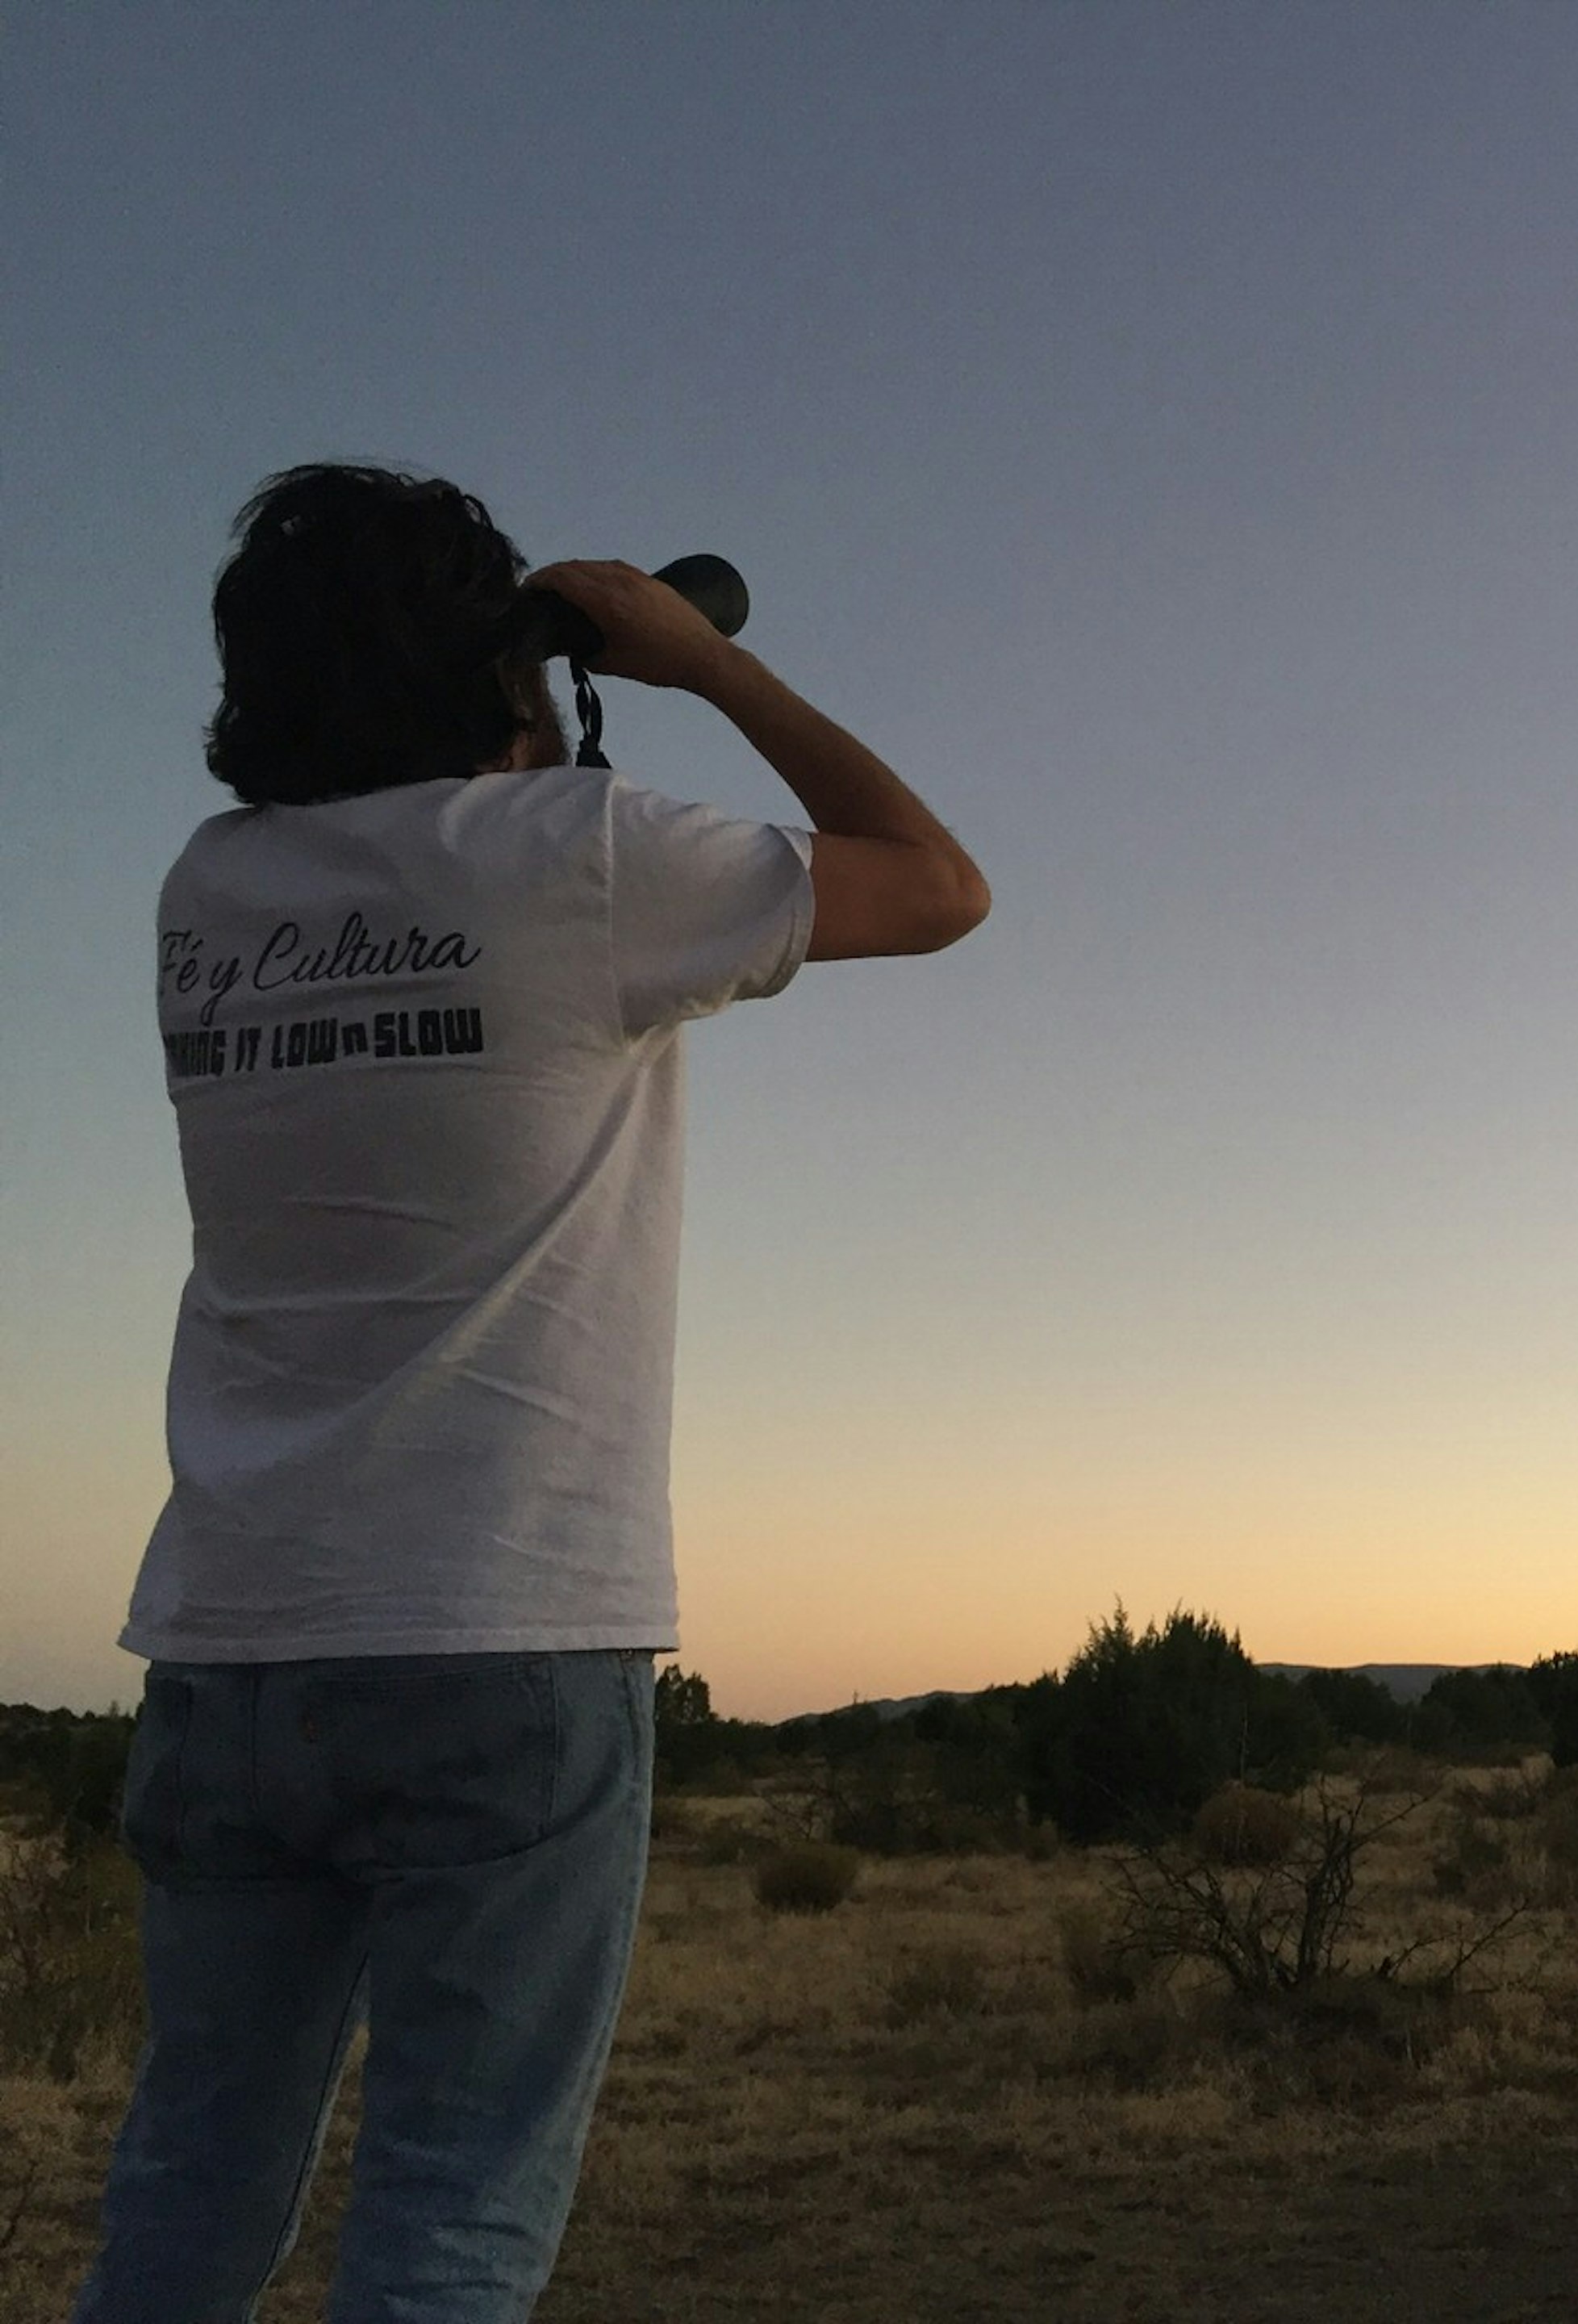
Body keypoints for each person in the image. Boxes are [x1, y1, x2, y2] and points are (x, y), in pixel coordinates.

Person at [76, 464, 990, 2322]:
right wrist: (703, 665)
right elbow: (939, 884)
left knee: (188, 2183)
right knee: (453, 2209)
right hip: (499, 1627)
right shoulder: (579, 861)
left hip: (231, 1640)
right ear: (495, 665)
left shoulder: (208, 893)